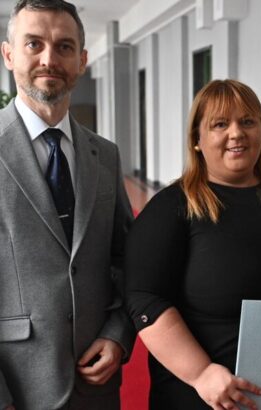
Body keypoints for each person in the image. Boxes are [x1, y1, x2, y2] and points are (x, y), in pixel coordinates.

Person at [124, 79, 261, 409]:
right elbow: (145, 300)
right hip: (204, 395)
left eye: (247, 121)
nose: (236, 133)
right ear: (197, 139)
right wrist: (201, 373)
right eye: (220, 124)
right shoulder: (171, 209)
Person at [0, 1, 135, 409]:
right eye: (34, 44)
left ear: (82, 60)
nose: (49, 59)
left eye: (64, 46)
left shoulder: (105, 155)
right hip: (17, 386)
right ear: (8, 54)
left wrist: (117, 335)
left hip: (96, 385)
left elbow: (126, 259)